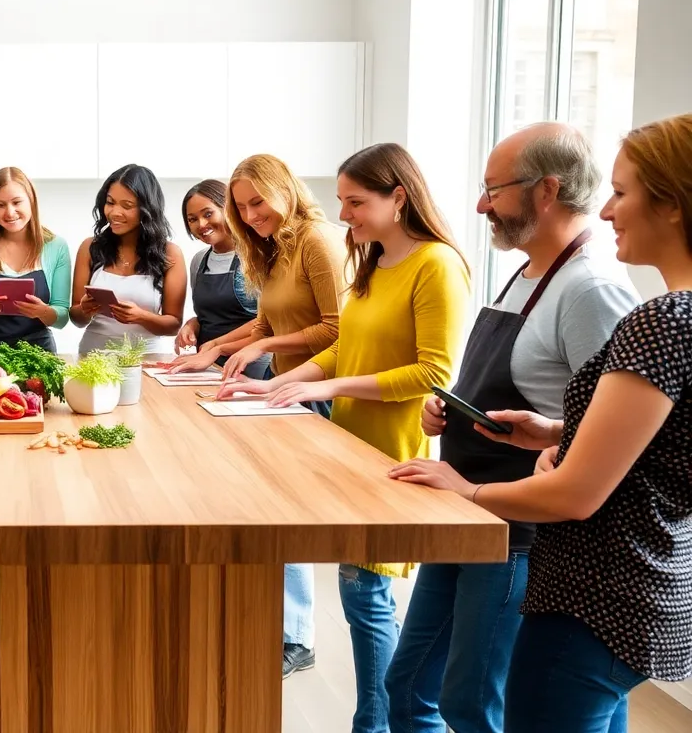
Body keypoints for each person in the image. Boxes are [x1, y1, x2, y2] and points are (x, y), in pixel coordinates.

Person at [391, 114, 692, 732]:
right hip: (634, 583)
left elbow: (583, 490)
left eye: (623, 192)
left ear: (673, 205)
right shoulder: (675, 315)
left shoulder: (654, 318)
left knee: (482, 703)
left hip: (597, 586)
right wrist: (558, 432)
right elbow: (653, 434)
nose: (606, 212)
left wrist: (469, 489)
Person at [228, 143, 471, 733]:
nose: (344, 216)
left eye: (356, 202)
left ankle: (374, 723)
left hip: (394, 450)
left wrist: (321, 388)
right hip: (351, 445)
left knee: (367, 600)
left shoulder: (436, 264)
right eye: (340, 201)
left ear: (399, 196)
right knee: (360, 596)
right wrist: (282, 385)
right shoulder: (372, 261)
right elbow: (343, 346)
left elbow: (434, 372)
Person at [168, 155, 346, 678]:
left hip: (316, 390)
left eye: (256, 202)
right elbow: (261, 323)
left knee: (288, 512)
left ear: (284, 190)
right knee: (266, 504)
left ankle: (298, 637)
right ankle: (272, 623)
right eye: (241, 207)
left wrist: (261, 345)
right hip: (283, 390)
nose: (249, 214)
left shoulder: (317, 240)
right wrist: (213, 348)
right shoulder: (269, 248)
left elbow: (336, 330)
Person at [69, 164, 186, 356]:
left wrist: (141, 317)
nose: (114, 212)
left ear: (146, 209)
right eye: (110, 202)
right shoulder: (90, 248)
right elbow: (76, 318)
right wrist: (84, 309)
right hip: (93, 357)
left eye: (127, 206)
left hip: (145, 359)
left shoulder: (170, 253)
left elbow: (173, 324)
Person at [0, 166, 72, 353]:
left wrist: (44, 312)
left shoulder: (56, 246)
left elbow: (62, 318)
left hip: (40, 354)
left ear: (31, 201)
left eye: (16, 202)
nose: (9, 212)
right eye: (0, 205)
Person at [171, 179, 272, 379]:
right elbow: (210, 314)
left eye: (208, 214)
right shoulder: (199, 260)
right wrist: (193, 324)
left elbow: (268, 320)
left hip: (251, 364)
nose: (201, 224)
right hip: (207, 364)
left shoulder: (258, 258)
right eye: (192, 219)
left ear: (228, 210)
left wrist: (218, 345)